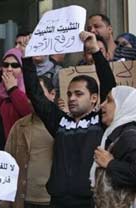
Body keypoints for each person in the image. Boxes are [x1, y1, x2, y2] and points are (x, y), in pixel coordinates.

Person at [21, 31, 116, 207]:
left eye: (79, 94)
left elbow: (109, 85)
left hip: (91, 201)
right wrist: (27, 59)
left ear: (94, 98)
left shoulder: (101, 121)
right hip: (58, 201)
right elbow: (35, 94)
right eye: (69, 94)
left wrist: (95, 51)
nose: (72, 98)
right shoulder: (59, 121)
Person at [1, 76, 55, 208]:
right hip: (23, 200)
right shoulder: (19, 126)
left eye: (38, 94)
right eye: (29, 95)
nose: (33, 99)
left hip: (53, 201)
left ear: (52, 94)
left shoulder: (65, 125)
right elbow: (7, 166)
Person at [89, 86, 136, 208]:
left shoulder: (130, 135)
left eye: (109, 100)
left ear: (124, 105)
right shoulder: (117, 132)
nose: (102, 105)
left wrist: (110, 163)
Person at [0, 48, 32, 150]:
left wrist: (13, 90)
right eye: (5, 65)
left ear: (22, 69)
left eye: (15, 65)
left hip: (17, 150)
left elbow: (29, 113)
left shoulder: (30, 91)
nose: (9, 69)